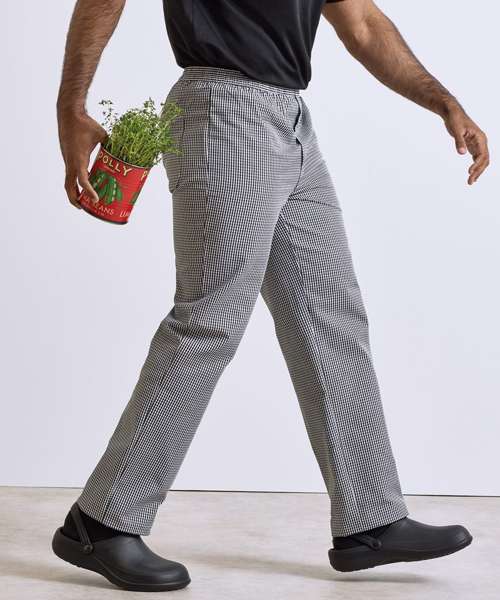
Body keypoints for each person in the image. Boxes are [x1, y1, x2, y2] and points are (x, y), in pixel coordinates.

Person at [52, 0, 489, 592]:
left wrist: (445, 103)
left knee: (331, 313)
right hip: (223, 111)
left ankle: (370, 521)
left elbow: (362, 23)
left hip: (289, 117)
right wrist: (71, 107)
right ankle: (102, 521)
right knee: (209, 321)